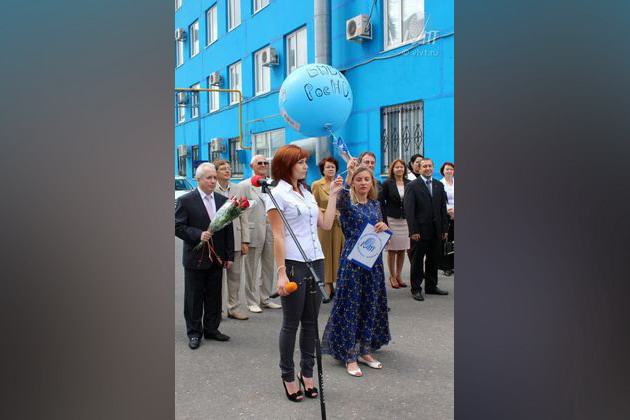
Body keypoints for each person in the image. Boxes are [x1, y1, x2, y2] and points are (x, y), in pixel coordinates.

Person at [265, 145, 342, 402]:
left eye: (306, 162)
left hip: (316, 261)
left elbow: (326, 224)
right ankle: (288, 376)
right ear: (286, 165)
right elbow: (278, 236)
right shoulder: (276, 194)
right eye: (300, 162)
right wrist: (281, 273)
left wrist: (333, 194)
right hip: (293, 264)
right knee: (291, 324)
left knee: (311, 322)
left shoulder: (307, 193)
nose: (305, 166)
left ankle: (306, 373)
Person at [321, 164, 391, 378]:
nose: (363, 183)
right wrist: (347, 174)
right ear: (353, 182)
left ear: (372, 182)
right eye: (359, 179)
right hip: (352, 261)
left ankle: (365, 349)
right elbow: (338, 195)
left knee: (370, 304)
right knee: (350, 305)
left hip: (374, 261)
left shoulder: (375, 204)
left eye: (366, 179)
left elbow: (381, 230)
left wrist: (384, 227)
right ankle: (349, 354)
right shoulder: (346, 202)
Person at [175, 163, 234, 349]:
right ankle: (194, 332)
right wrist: (197, 234)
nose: (213, 181)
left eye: (214, 177)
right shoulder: (186, 200)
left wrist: (229, 256)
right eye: (209, 178)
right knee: (194, 297)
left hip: (217, 257)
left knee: (214, 296)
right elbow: (177, 226)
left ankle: (211, 329)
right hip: (196, 257)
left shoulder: (222, 200)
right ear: (198, 179)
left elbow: (228, 229)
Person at [239, 155, 281, 313]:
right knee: (251, 268)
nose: (263, 165)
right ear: (252, 166)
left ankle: (265, 298)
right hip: (253, 231)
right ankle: (251, 301)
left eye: (265, 163)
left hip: (271, 230)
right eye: (259, 163)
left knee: (269, 267)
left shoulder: (273, 184)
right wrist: (244, 236)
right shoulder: (244, 185)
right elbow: (240, 211)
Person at [403, 158, 449, 301]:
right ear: (419, 168)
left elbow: (442, 208)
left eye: (430, 166)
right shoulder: (412, 186)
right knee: (417, 261)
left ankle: (431, 286)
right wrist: (413, 231)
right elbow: (409, 210)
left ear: (433, 168)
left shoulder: (439, 185)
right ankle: (416, 289)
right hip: (419, 231)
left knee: (433, 260)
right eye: (424, 166)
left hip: (436, 230)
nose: (428, 168)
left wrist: (444, 229)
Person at [213, 159, 250, 320]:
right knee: (216, 279)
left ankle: (233, 308)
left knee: (235, 277)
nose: (227, 171)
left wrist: (245, 240)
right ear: (216, 172)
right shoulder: (211, 188)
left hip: (236, 237)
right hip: (216, 239)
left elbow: (244, 215)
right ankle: (217, 310)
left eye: (229, 168)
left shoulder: (238, 189)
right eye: (223, 169)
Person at [311, 157, 344, 299]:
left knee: (338, 254)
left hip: (338, 225)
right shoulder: (317, 185)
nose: (330, 169)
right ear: (322, 170)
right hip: (324, 224)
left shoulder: (340, 184)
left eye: (333, 167)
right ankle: (327, 285)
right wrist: (328, 212)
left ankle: (336, 283)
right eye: (328, 167)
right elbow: (313, 204)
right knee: (326, 254)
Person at [379, 159, 410, 289]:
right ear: (392, 169)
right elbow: (381, 202)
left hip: (405, 220)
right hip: (391, 219)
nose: (399, 169)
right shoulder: (387, 183)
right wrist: (384, 219)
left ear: (405, 169)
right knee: (392, 249)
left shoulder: (409, 183)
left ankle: (399, 275)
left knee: (402, 249)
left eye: (401, 167)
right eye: (397, 167)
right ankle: (392, 276)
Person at [439, 162, 455, 276]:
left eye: (451, 169)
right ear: (443, 171)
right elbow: (439, 201)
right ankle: (446, 266)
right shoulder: (440, 184)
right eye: (447, 169)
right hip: (445, 215)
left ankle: (453, 264)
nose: (449, 171)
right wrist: (449, 211)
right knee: (446, 241)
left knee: (454, 241)